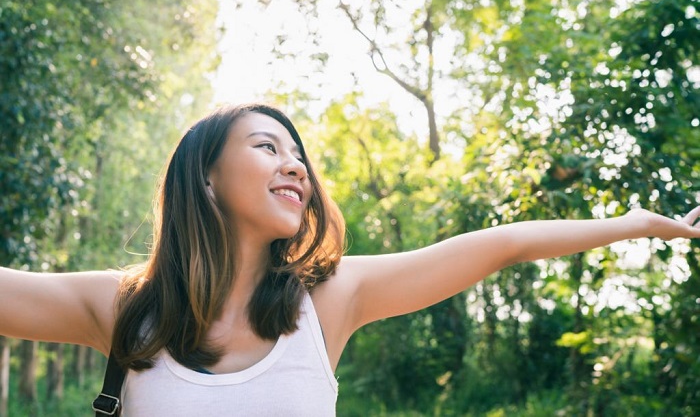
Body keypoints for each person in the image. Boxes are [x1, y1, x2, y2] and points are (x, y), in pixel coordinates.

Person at [1, 103, 699, 416]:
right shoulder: (127, 309)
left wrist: (630, 225)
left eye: (297, 153)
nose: (294, 164)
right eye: (267, 146)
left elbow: (500, 246)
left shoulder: (328, 300)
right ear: (206, 177)